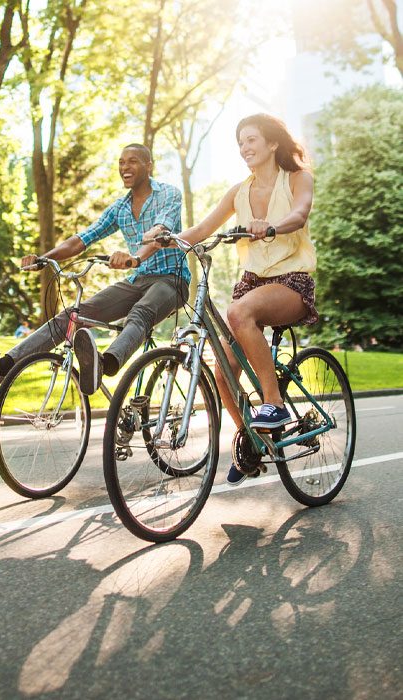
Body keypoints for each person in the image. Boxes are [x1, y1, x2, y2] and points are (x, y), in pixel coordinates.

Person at [144, 114, 317, 486]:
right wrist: (159, 241)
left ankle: (275, 404)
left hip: (291, 281)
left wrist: (271, 226)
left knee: (238, 311)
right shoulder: (239, 191)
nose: (245, 148)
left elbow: (300, 213)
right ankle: (252, 444)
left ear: (272, 143)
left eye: (251, 139)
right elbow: (203, 229)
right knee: (222, 369)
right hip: (254, 282)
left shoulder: (298, 178)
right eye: (240, 143)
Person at [0, 143, 189, 394]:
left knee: (139, 313)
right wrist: (43, 258)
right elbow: (81, 240)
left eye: (133, 161)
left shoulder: (168, 194)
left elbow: (159, 232)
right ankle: (1, 367)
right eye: (121, 162)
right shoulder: (120, 208)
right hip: (137, 280)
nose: (125, 167)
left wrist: (134, 258)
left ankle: (103, 364)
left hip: (172, 280)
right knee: (73, 315)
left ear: (149, 166)